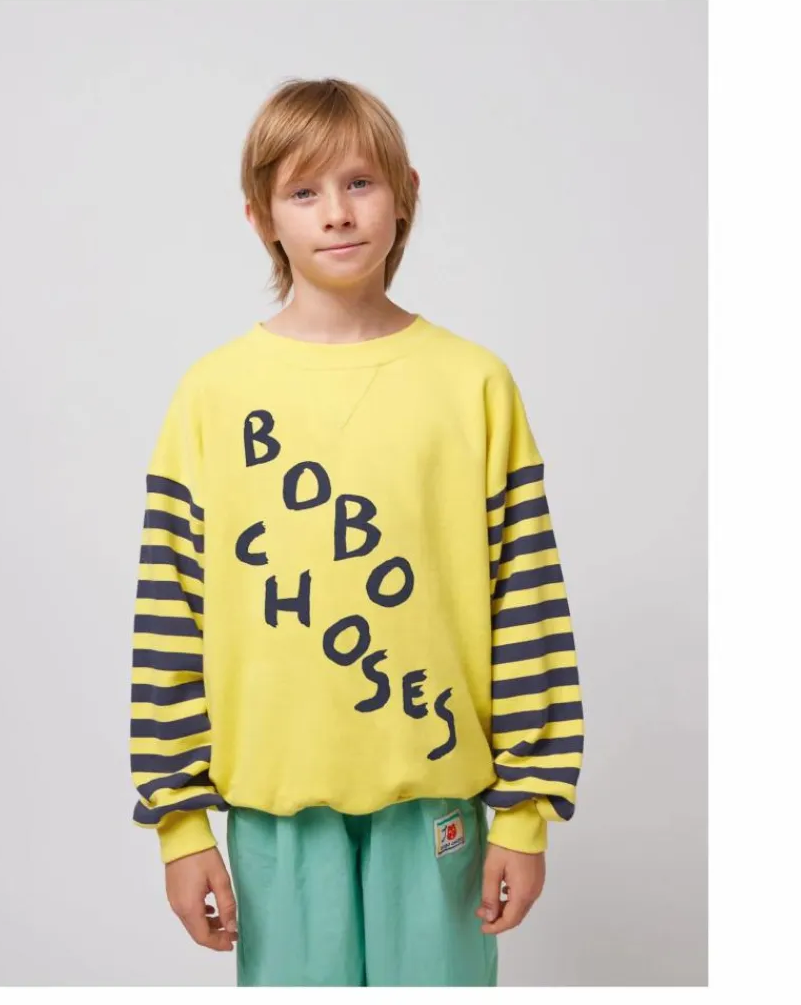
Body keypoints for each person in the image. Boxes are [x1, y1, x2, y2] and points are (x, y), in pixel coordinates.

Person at [127, 77, 585, 987]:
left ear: (406, 192)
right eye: (303, 192)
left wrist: (526, 812)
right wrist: (180, 825)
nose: (336, 213)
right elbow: (171, 612)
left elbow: (526, 602)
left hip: (439, 795)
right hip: (275, 802)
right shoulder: (212, 395)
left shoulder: (474, 385)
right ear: (260, 217)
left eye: (359, 183)